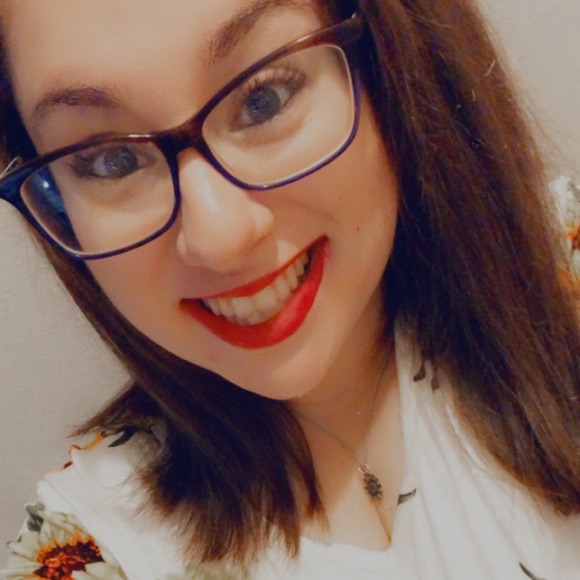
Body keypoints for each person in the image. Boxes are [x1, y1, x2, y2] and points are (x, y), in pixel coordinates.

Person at [0, 0, 578, 578]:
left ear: (387, 64)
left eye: (264, 99)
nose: (221, 238)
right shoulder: (87, 547)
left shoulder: (564, 284)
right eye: (111, 160)